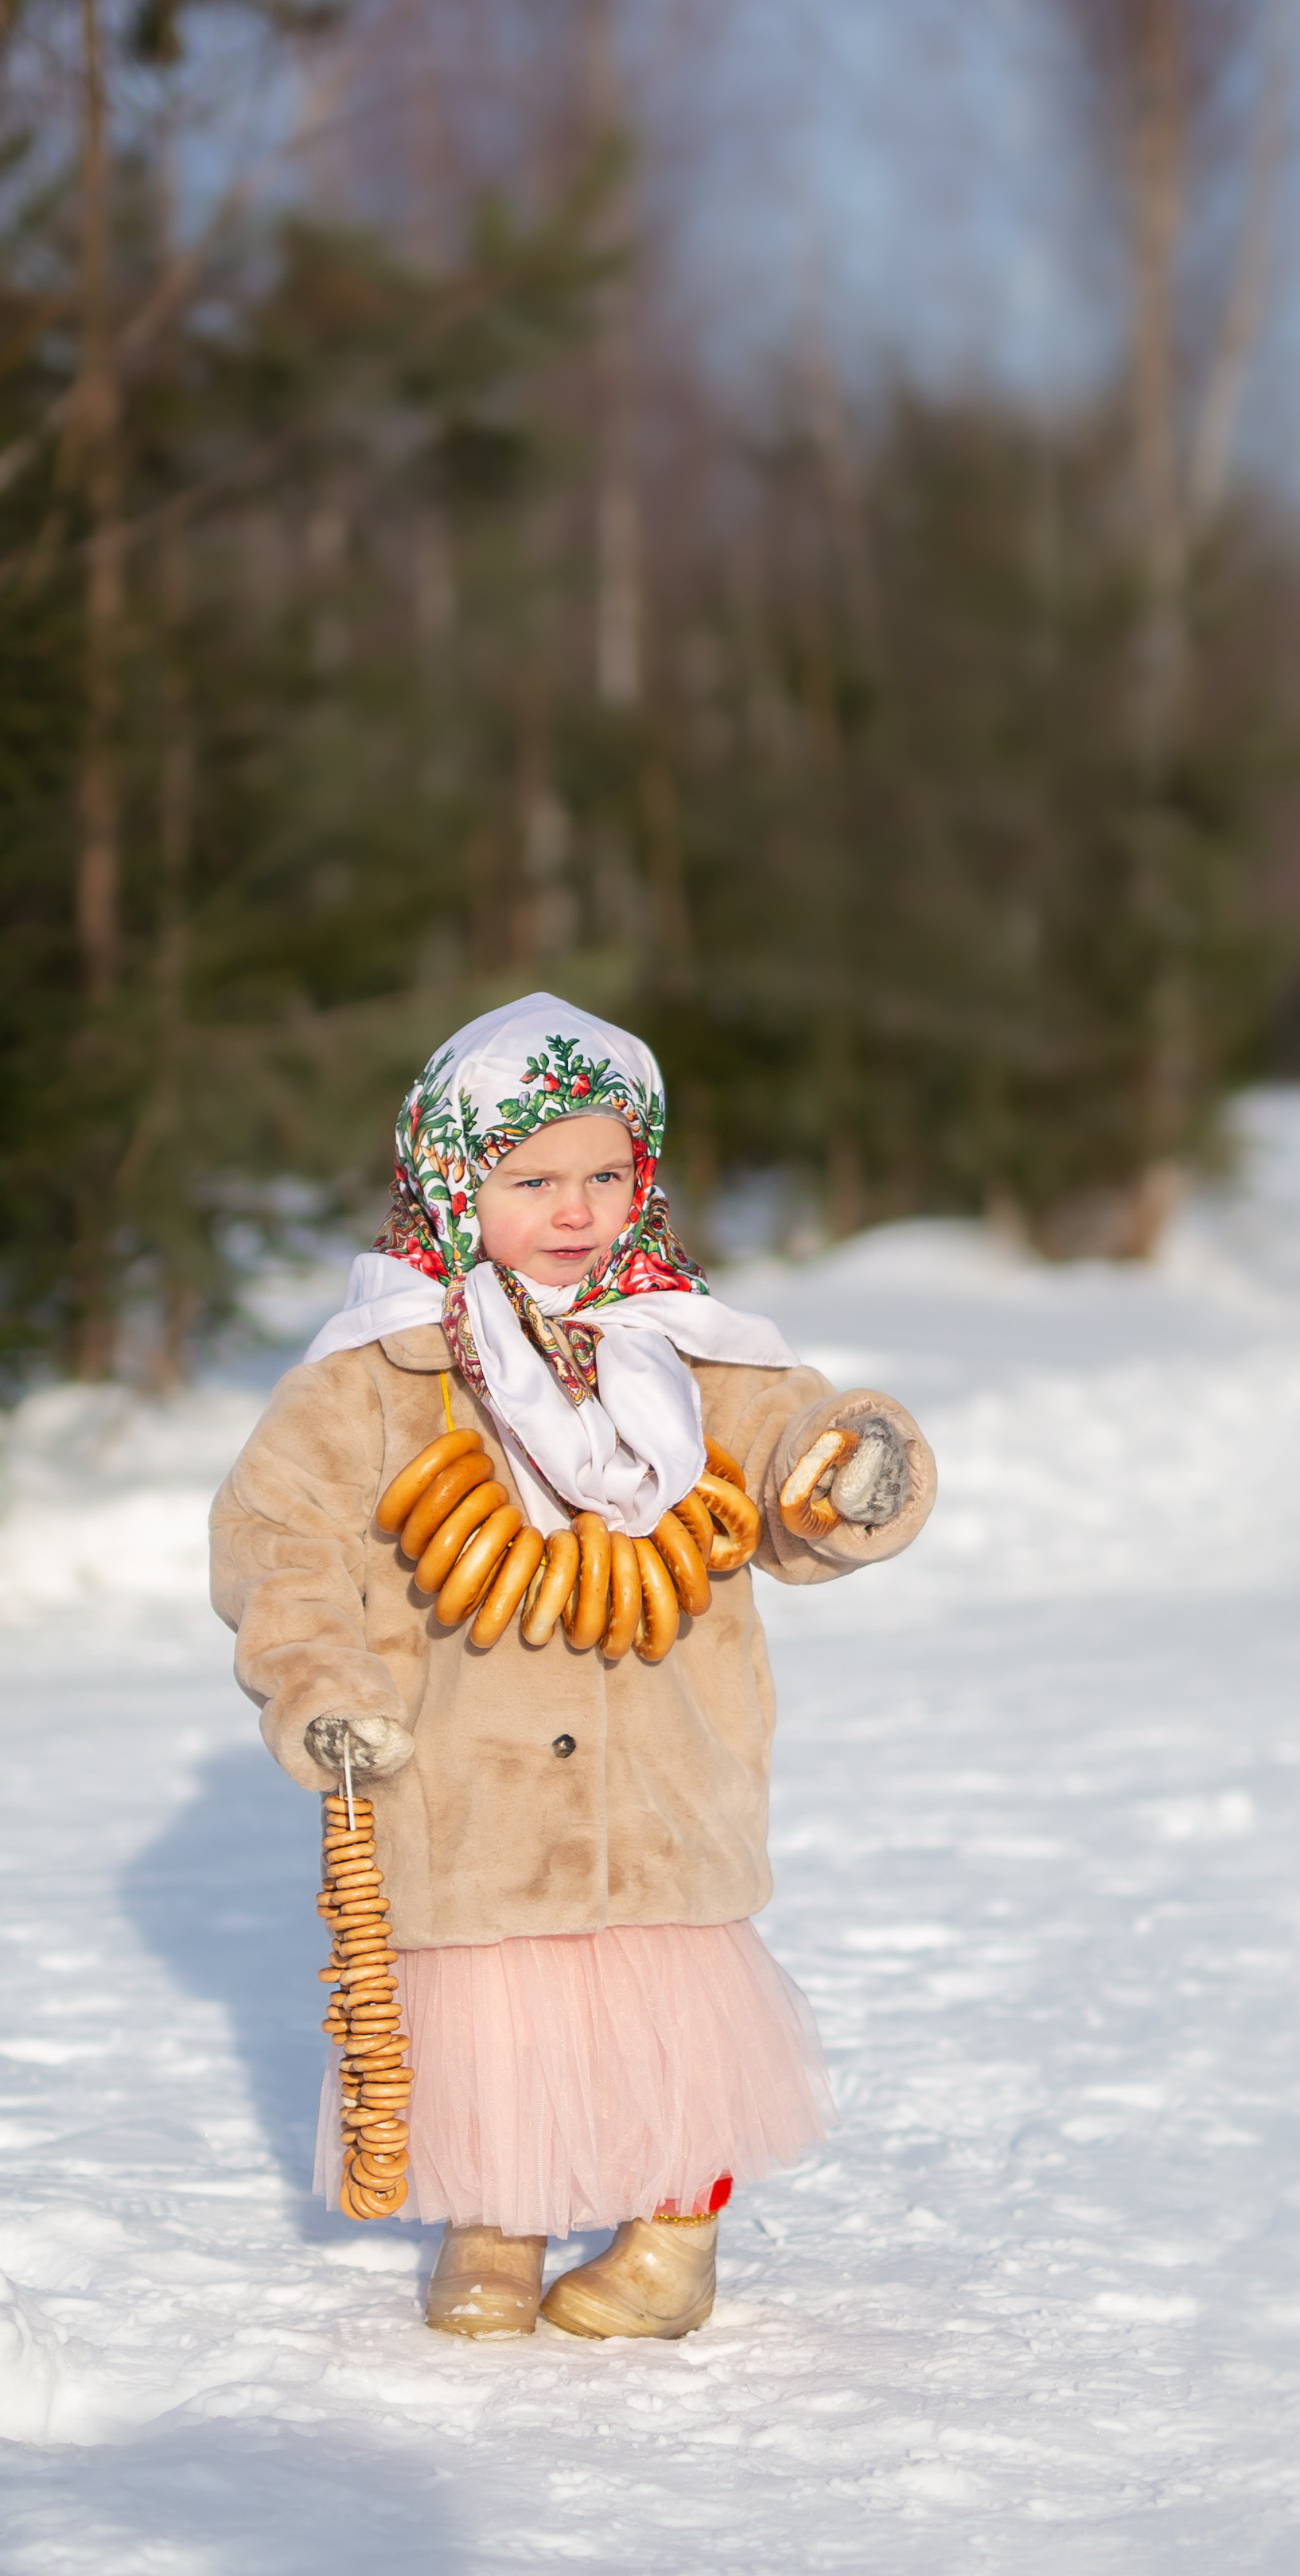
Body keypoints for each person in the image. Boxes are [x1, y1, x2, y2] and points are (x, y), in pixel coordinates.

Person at [210, 993, 935, 2341]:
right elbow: (281, 1540)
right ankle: (497, 2221)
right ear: (450, 1179)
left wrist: (846, 1469)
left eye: (608, 1174)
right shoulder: (377, 1374)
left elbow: (791, 1454)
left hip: (663, 1765)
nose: (576, 1208)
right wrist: (320, 1683)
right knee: (497, 2017)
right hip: (464, 1780)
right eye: (533, 1178)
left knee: (671, 2012)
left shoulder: (690, 1348)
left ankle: (676, 2229)